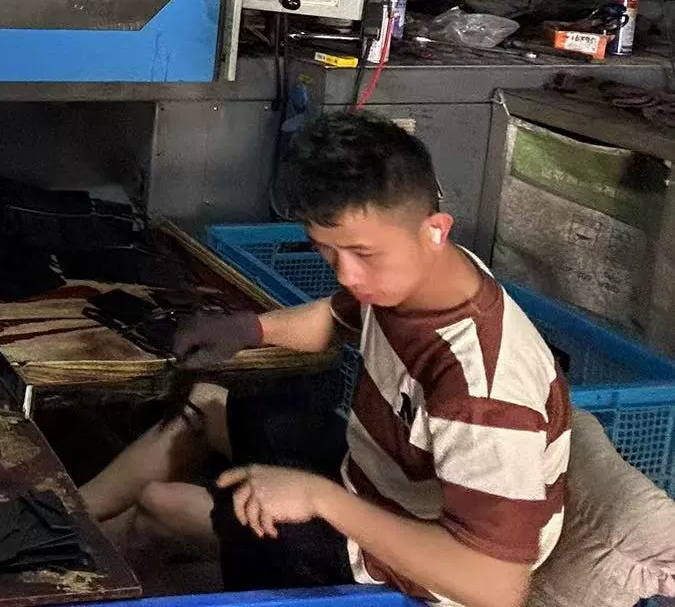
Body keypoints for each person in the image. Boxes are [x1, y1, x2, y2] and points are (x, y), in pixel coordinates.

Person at [81, 112, 571, 607]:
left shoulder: (482, 390)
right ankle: (66, 514)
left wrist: (320, 498)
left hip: (425, 563)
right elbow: (339, 317)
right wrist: (250, 329)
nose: (347, 275)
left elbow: (495, 587)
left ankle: (70, 572)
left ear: (435, 230)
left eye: (362, 253)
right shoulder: (418, 274)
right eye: (328, 251)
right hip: (375, 478)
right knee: (204, 405)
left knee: (159, 506)